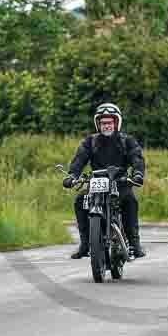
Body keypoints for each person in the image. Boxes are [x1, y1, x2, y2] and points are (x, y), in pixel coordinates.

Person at [63, 103, 146, 259]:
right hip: (97, 183)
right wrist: (72, 176)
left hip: (120, 183)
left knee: (130, 200)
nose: (106, 125)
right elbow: (79, 159)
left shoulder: (127, 141)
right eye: (103, 123)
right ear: (98, 124)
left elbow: (137, 158)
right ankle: (85, 244)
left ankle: (134, 244)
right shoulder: (90, 141)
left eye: (109, 122)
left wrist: (138, 174)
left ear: (116, 123)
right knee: (80, 200)